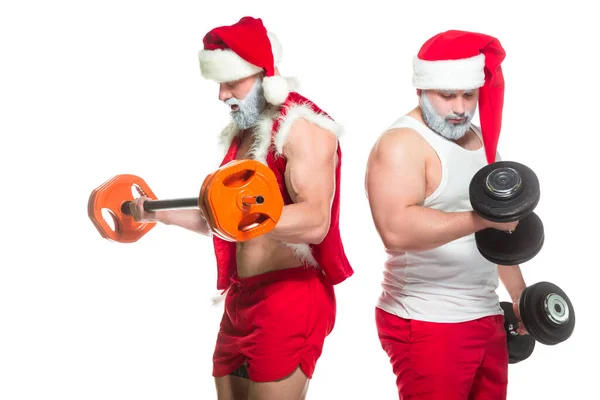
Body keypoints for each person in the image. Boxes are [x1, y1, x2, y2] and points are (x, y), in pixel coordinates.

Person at [129, 16, 353, 400]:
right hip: (242, 298)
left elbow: (316, 221)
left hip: (290, 297)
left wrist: (242, 215)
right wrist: (154, 212)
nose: (222, 95)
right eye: (220, 84)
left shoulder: (303, 130)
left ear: (265, 76)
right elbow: (222, 217)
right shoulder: (247, 132)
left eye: (232, 83)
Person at [365, 30, 529, 399]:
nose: (459, 108)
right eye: (447, 95)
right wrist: (482, 218)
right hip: (427, 319)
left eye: (468, 95)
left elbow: (498, 231)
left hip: (485, 313)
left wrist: (519, 296)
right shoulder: (402, 144)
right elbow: (396, 230)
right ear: (421, 90)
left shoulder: (483, 139)